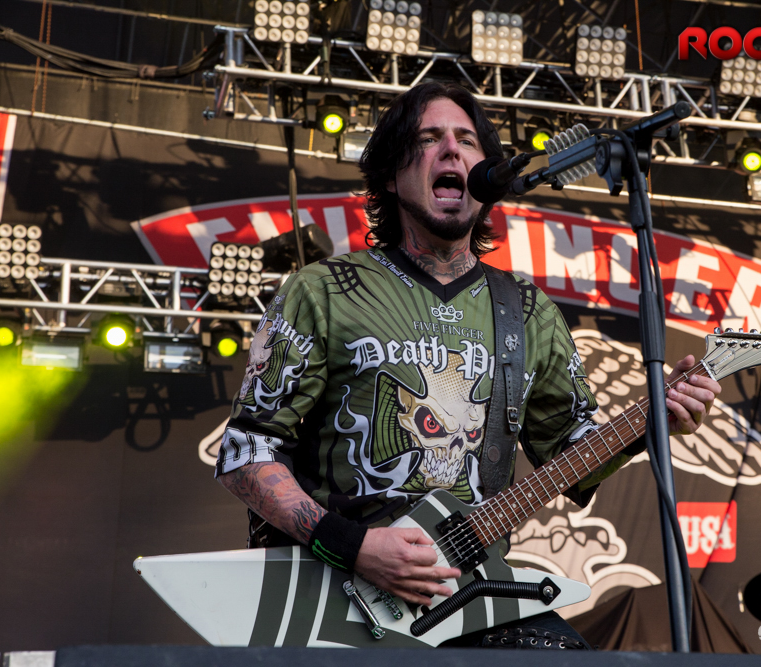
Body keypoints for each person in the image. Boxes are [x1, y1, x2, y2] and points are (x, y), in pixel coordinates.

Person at [216, 81, 721, 648]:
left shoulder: (527, 311)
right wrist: (354, 546)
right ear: (391, 176)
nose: (452, 150)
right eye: (428, 139)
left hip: (470, 594)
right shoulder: (324, 290)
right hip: (336, 597)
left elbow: (573, 459)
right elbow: (246, 451)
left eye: (467, 140)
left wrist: (653, 418)